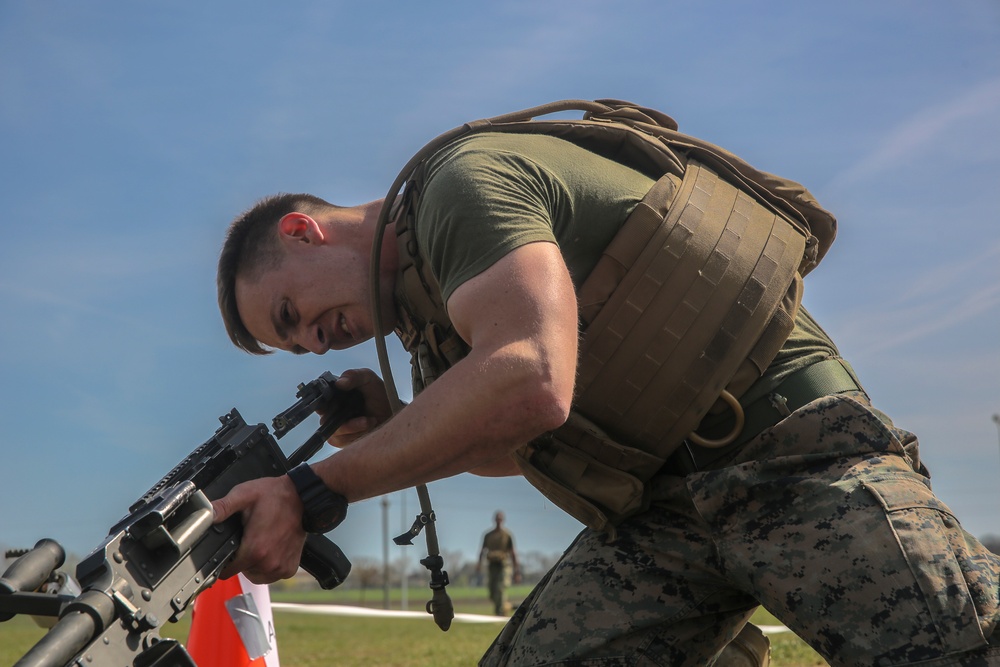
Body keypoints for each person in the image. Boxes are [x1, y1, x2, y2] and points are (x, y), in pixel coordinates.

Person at [212, 106, 1000, 666]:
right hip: (663, 515)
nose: (314, 338)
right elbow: (519, 445)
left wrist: (315, 484)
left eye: (292, 311)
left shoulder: (458, 187)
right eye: (296, 343)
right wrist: (398, 423)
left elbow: (531, 376)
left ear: (302, 229)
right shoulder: (430, 313)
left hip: (790, 452)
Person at [476, 511, 521, 616]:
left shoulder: (507, 535)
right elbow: (482, 550)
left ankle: (499, 614)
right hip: (492, 565)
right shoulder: (488, 535)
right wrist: (479, 564)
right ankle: (508, 606)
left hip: (504, 565)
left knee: (501, 587)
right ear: (494, 520)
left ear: (503, 520)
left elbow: (513, 553)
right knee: (492, 592)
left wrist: (517, 571)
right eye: (497, 519)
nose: (498, 521)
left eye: (500, 519)